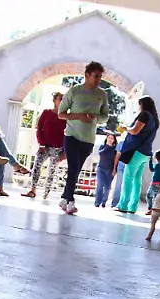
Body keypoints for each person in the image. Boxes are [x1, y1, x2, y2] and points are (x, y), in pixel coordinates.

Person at [57, 61, 110, 216]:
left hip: (88, 139)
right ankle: (70, 201)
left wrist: (96, 118)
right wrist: (78, 116)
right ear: (87, 75)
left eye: (100, 77)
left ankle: (64, 198)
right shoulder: (74, 91)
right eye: (95, 76)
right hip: (71, 136)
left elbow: (105, 116)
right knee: (73, 168)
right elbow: (61, 114)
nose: (98, 80)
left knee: (76, 170)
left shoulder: (102, 95)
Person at [115, 96, 160, 215]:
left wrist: (125, 128)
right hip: (146, 152)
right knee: (137, 180)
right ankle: (133, 207)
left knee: (128, 178)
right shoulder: (154, 119)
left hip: (136, 151)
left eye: (139, 104)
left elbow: (135, 131)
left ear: (142, 105)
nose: (138, 107)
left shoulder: (144, 115)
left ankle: (123, 205)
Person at [24, 92, 66, 200]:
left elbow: (68, 134)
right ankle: (33, 190)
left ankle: (46, 193)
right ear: (55, 101)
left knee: (52, 171)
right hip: (44, 146)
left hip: (58, 148)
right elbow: (39, 128)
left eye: (64, 99)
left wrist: (64, 151)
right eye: (60, 98)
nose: (62, 101)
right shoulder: (46, 113)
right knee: (36, 167)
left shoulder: (67, 117)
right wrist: (41, 143)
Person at [94, 133, 118, 207]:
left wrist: (114, 170)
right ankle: (97, 202)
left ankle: (104, 201)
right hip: (101, 169)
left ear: (114, 140)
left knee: (107, 187)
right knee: (100, 185)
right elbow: (101, 154)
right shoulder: (103, 146)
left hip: (110, 170)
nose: (110, 139)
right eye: (109, 138)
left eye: (112, 138)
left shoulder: (115, 149)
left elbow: (116, 160)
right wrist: (107, 146)